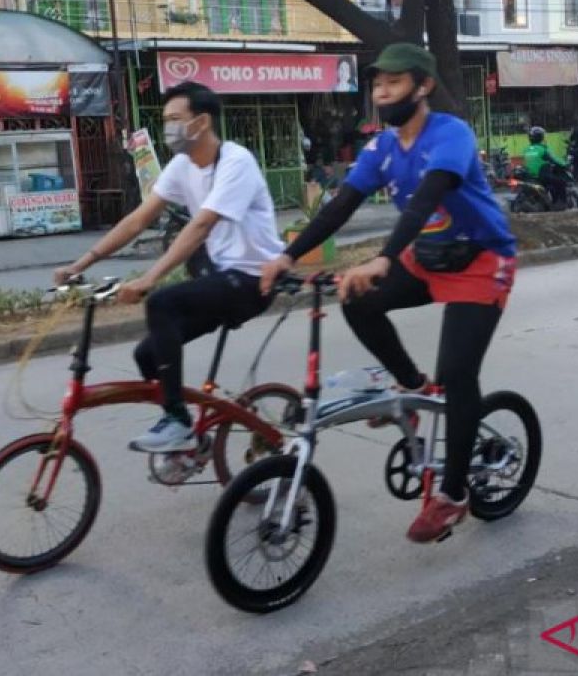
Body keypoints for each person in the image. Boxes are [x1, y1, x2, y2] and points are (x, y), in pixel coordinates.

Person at [260, 43, 518, 544]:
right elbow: (341, 205)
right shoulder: (380, 147)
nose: (382, 92)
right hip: (426, 257)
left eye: (394, 83)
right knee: (356, 297)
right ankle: (410, 386)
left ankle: (454, 493)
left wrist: (383, 256)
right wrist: (287, 256)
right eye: (377, 84)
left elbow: (425, 200)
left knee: (458, 373)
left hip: (482, 259)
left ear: (422, 87)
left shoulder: (451, 134)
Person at [53, 81, 283, 453]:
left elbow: (201, 226)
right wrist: (82, 262)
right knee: (147, 355)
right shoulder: (181, 166)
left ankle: (177, 420)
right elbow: (137, 221)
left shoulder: (236, 161)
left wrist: (149, 279)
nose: (168, 129)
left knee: (161, 302)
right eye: (165, 121)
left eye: (176, 119)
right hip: (221, 276)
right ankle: (192, 438)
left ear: (202, 122)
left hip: (255, 279)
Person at [523, 126, 568, 206]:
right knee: (561, 182)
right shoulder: (543, 149)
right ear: (540, 137)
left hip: (530, 177)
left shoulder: (526, 150)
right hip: (542, 176)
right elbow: (554, 160)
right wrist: (565, 164)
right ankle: (561, 203)